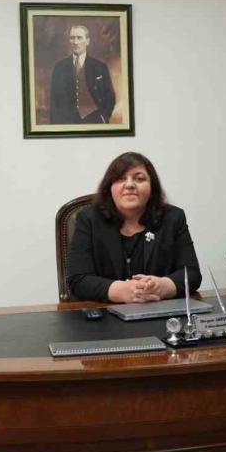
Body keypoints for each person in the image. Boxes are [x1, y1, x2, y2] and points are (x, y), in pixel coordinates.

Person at [66, 152, 202, 303]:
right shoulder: (89, 219)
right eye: (120, 178)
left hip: (160, 310)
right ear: (110, 187)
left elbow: (191, 274)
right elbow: (78, 279)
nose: (130, 185)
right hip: (105, 312)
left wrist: (163, 286)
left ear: (152, 187)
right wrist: (121, 291)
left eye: (139, 179)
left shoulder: (173, 218)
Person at [49, 25, 116, 124]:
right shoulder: (59, 68)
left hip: (95, 120)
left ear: (87, 41)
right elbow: (54, 101)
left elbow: (110, 97)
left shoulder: (100, 67)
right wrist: (57, 124)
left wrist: (103, 118)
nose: (75, 42)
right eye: (72, 38)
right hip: (67, 122)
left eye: (79, 38)